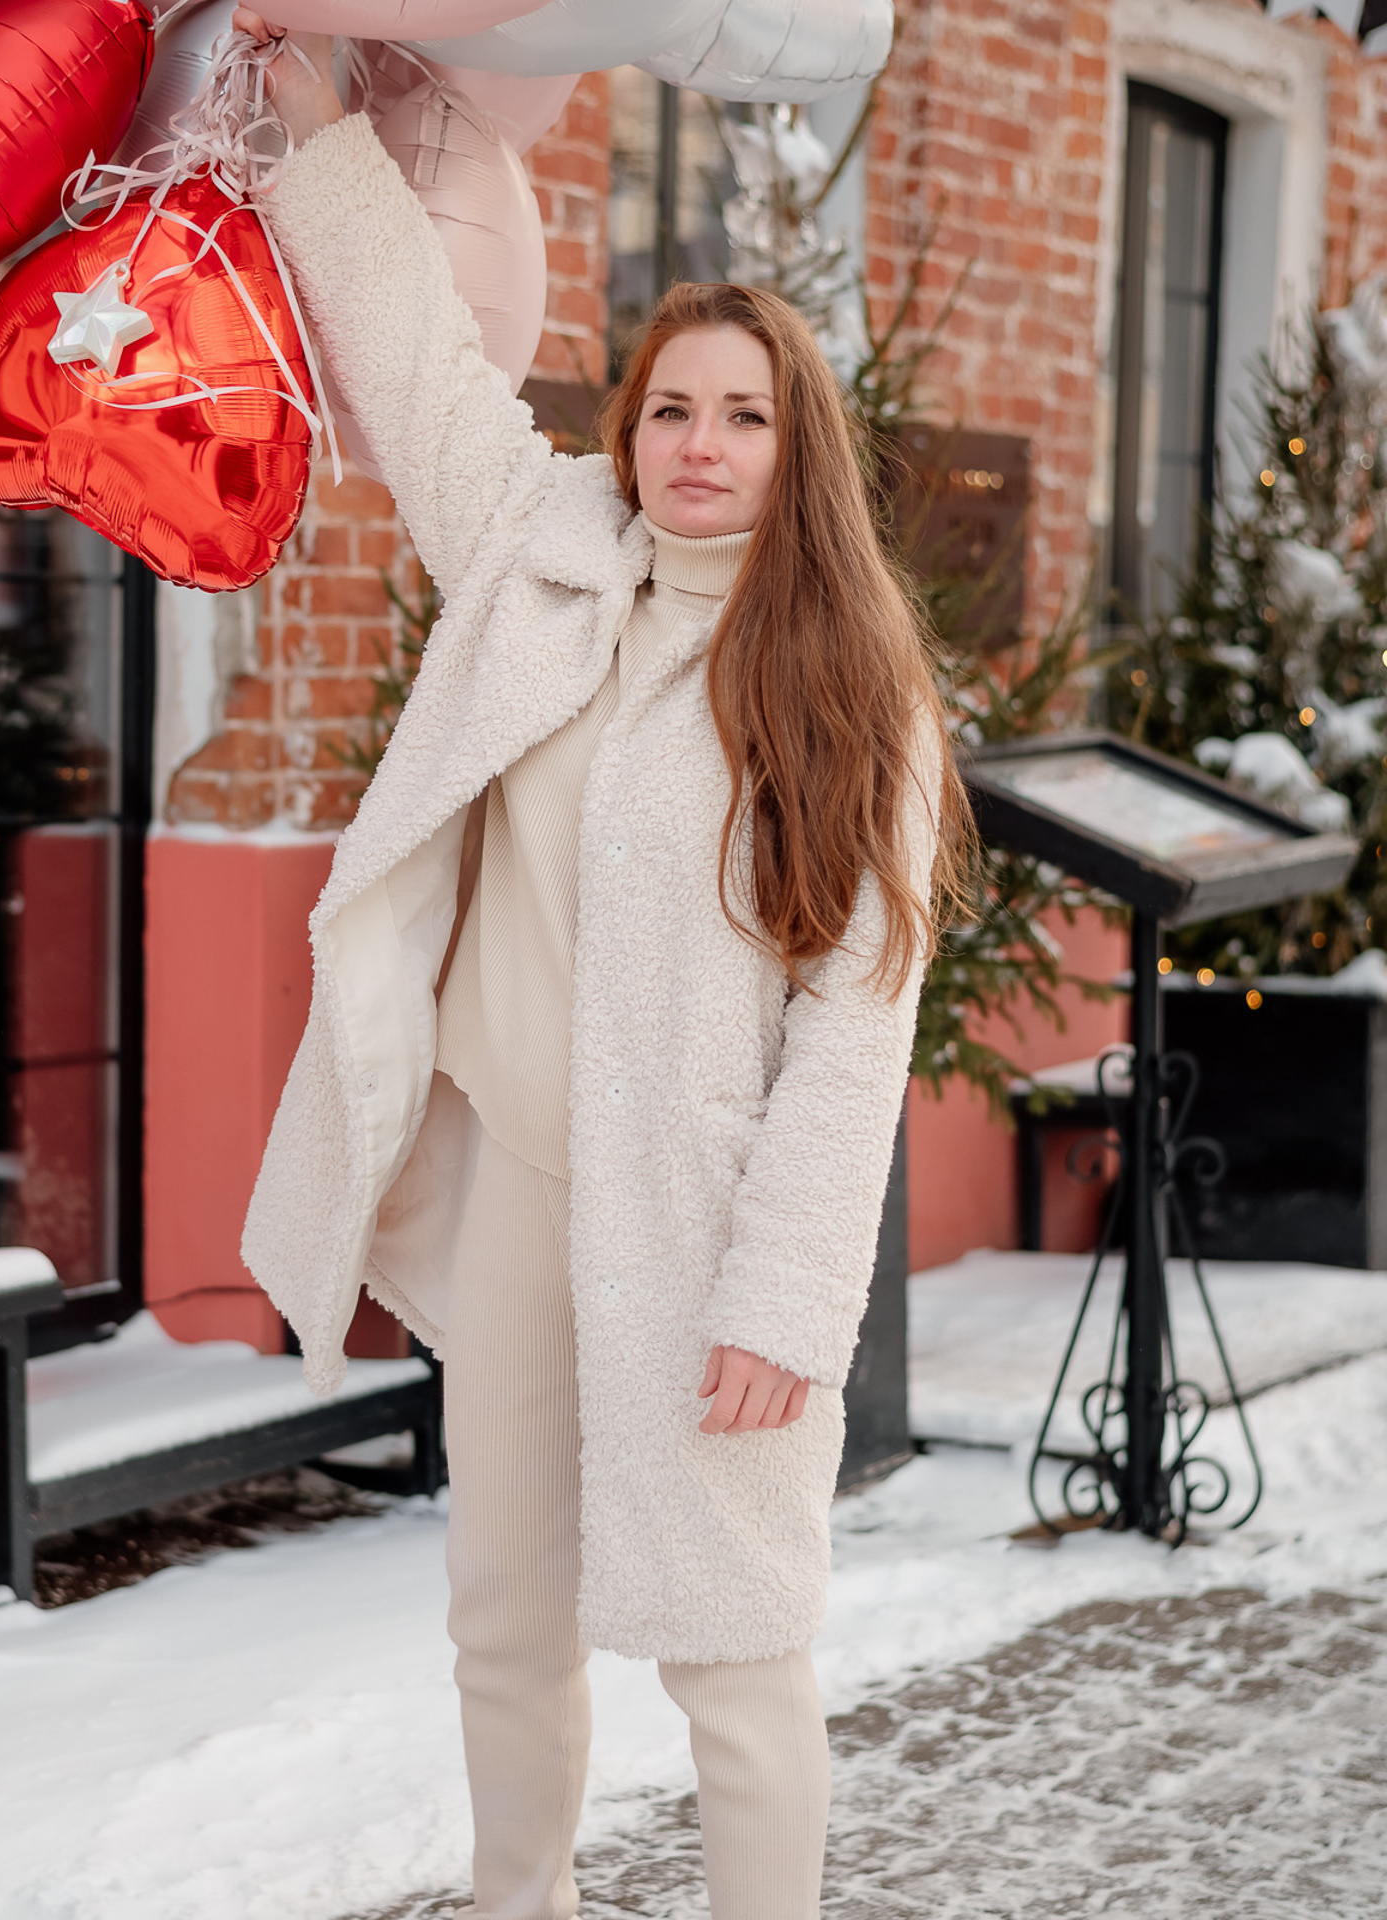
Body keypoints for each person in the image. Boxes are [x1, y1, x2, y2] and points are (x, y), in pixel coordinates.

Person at [232, 16, 973, 1918]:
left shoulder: (849, 690)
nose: (699, 446)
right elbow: (419, 355)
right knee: (504, 1612)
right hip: (514, 1180)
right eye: (670, 410)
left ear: (796, 449)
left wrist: (787, 1303)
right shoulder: (537, 558)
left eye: (744, 416)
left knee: (737, 1646)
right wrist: (309, 118)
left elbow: (854, 1029)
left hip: (703, 1218)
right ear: (626, 429)